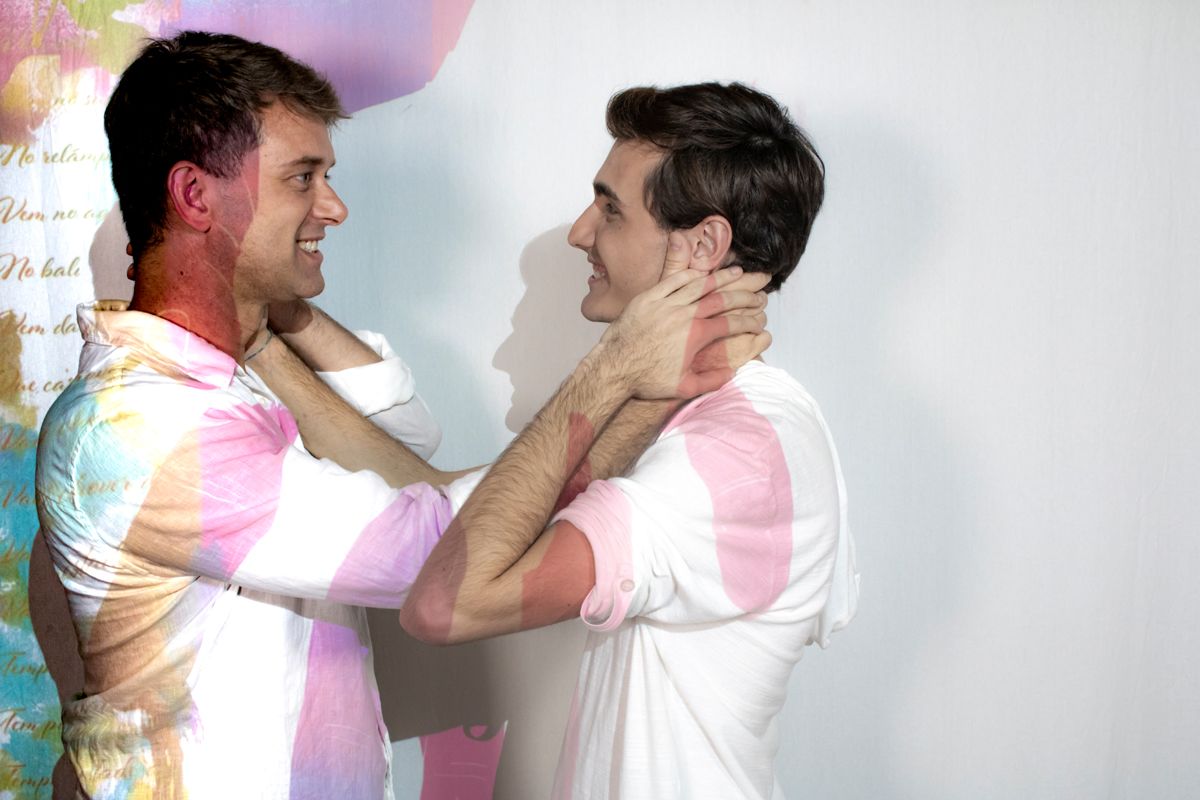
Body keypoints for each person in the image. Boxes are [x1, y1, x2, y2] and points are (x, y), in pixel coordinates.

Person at [34, 34, 767, 799]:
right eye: (303, 178)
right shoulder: (142, 426)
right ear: (195, 196)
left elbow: (403, 442)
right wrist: (625, 370)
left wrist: (262, 323)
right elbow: (437, 547)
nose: (334, 207)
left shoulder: (228, 384)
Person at [400, 83, 860, 799]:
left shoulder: (733, 455)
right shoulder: (692, 416)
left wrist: (612, 365)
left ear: (703, 245)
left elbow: (445, 603)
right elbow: (466, 513)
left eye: (611, 208)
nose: (580, 232)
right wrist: (278, 343)